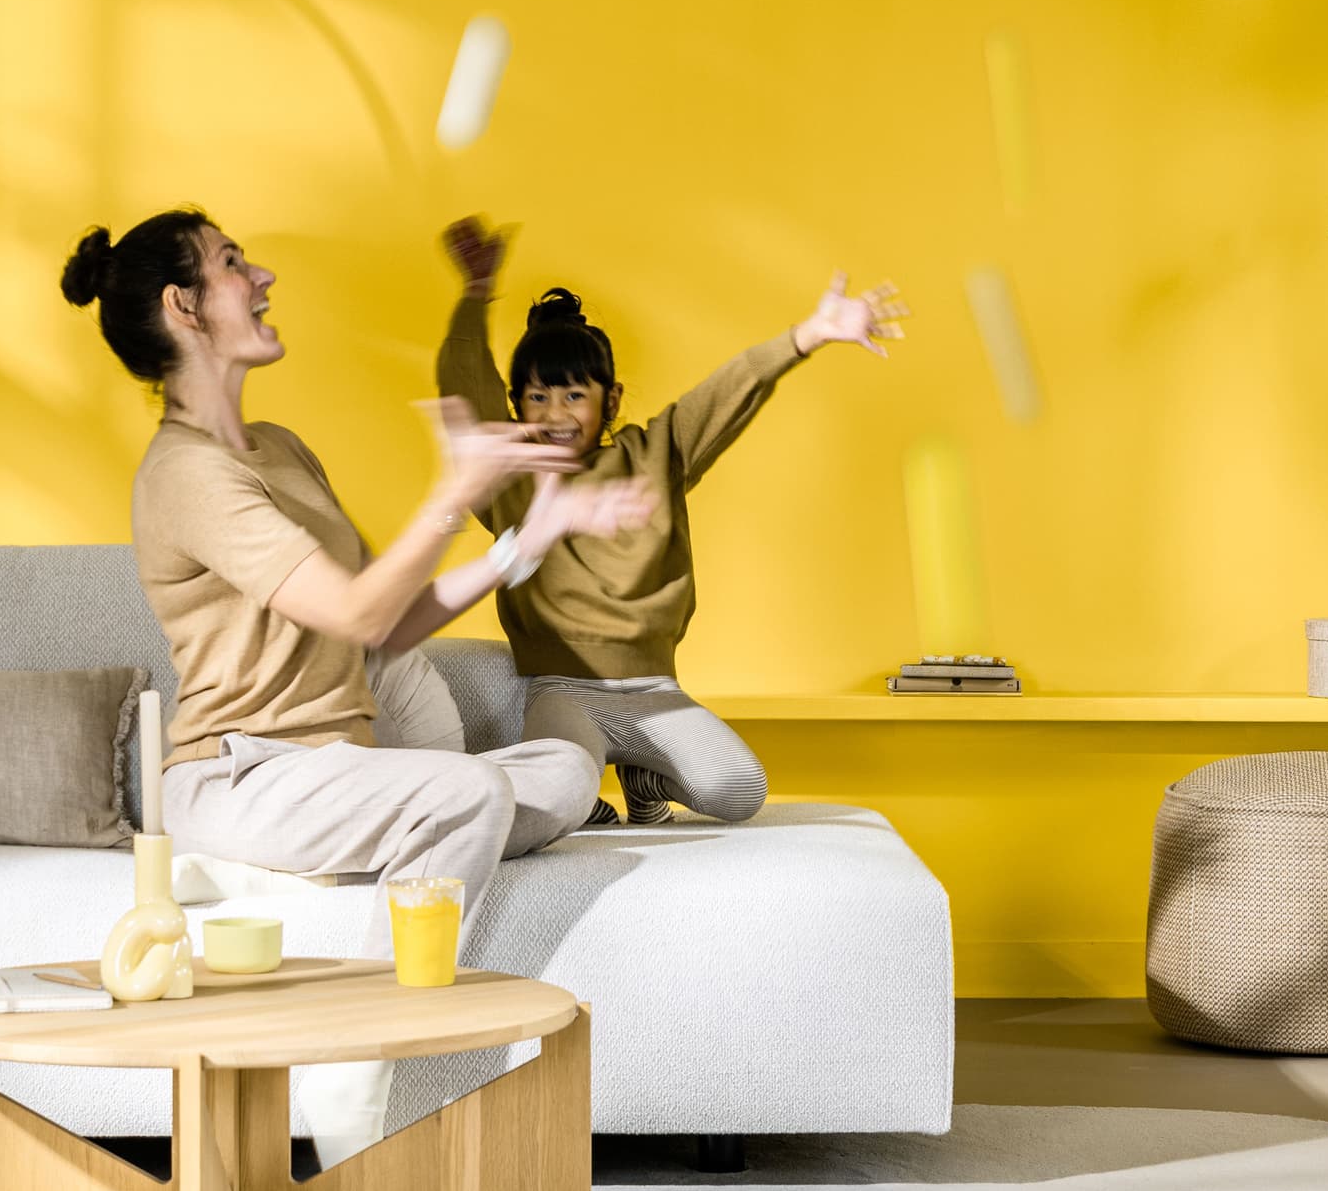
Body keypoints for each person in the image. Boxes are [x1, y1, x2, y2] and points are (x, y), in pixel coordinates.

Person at [62, 208, 659, 1006]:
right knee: (470, 791)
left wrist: (523, 541)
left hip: (344, 770)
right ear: (186, 306)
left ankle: (393, 834)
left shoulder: (281, 447)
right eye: (233, 263)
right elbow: (361, 614)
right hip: (245, 776)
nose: (262, 277)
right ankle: (372, 1041)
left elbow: (394, 621)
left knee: (563, 774)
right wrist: (457, 488)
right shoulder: (183, 474)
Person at [437, 217, 905, 824]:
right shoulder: (508, 474)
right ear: (517, 405)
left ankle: (643, 774)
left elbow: (729, 390)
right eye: (537, 396)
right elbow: (463, 387)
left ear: (611, 398)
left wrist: (807, 336)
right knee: (549, 794)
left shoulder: (655, 451)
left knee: (739, 792)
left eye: (574, 395)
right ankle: (586, 802)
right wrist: (476, 294)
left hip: (655, 690)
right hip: (561, 689)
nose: (555, 411)